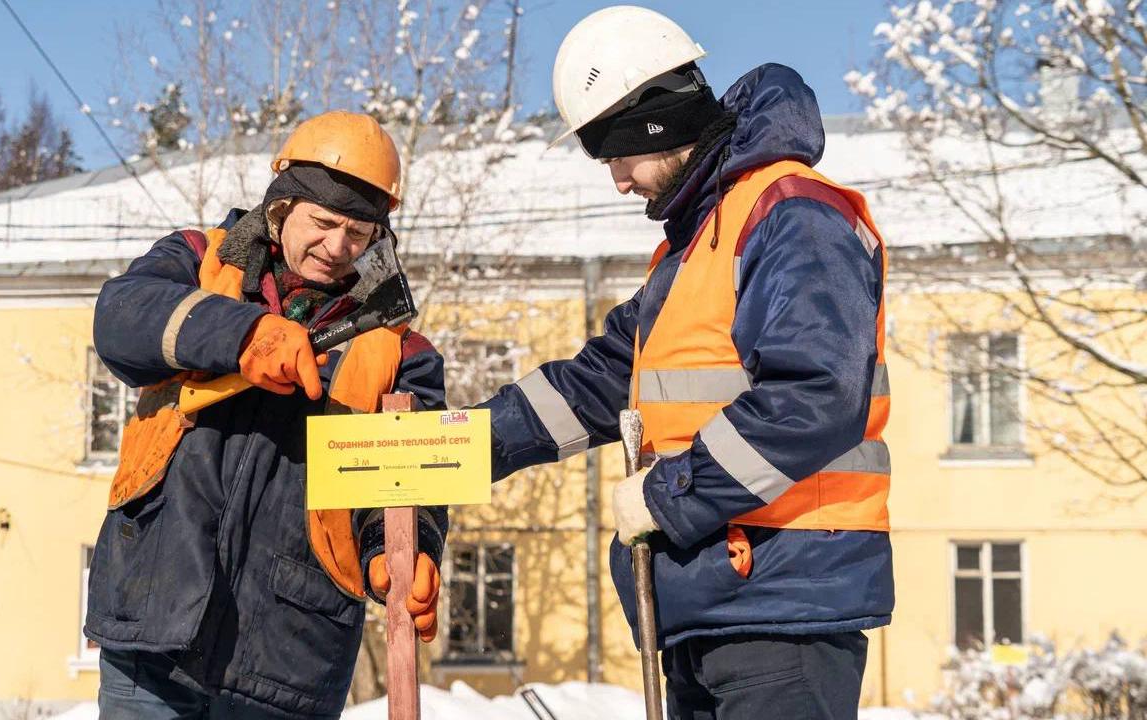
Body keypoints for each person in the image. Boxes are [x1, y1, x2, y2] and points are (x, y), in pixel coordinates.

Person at [477, 7, 893, 719]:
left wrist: (669, 494)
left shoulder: (790, 215)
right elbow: (595, 382)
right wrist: (455, 446)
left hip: (780, 613)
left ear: (655, 124)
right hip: (714, 603)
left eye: (615, 155)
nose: (617, 181)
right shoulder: (696, 242)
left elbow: (815, 396)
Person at [86, 110, 447, 719]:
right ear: (281, 208)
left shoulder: (399, 350)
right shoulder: (199, 261)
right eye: (324, 222)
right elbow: (120, 318)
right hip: (154, 622)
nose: (337, 248)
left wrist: (402, 550)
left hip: (289, 662)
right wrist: (242, 334)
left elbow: (407, 486)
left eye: (359, 233)